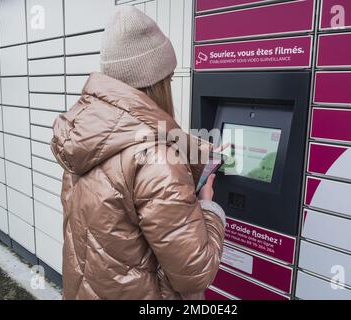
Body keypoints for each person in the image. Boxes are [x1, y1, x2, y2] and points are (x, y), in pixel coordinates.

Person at [50, 6, 225, 300]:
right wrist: (209, 209)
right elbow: (195, 272)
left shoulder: (85, 137)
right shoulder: (157, 160)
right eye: (169, 79)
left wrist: (196, 156)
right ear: (159, 81)